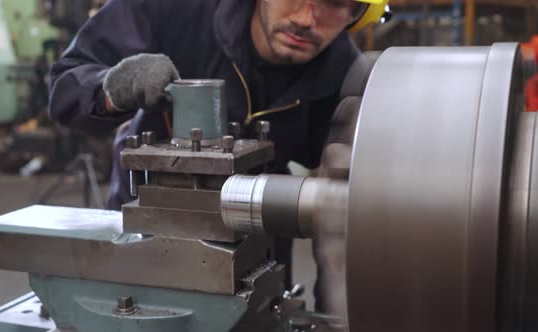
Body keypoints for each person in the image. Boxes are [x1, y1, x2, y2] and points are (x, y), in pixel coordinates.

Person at [48, 0, 388, 311]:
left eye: (335, 3)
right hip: (143, 234)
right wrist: (111, 89)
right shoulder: (174, 8)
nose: (305, 19)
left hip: (258, 251)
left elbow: (356, 211)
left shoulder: (343, 73)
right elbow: (65, 85)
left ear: (360, 14)